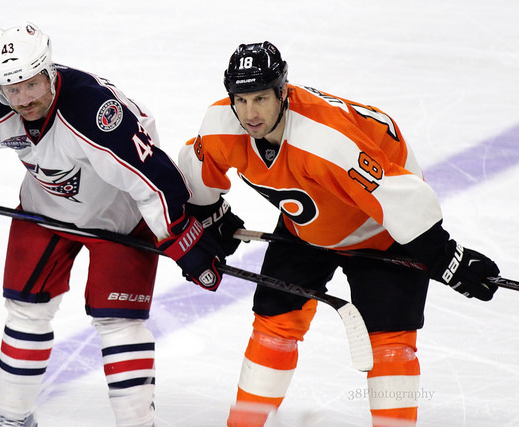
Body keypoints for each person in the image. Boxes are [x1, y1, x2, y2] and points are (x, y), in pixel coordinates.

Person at [177, 41, 501, 426]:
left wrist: (446, 257)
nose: (250, 113)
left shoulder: (325, 140)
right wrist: (212, 219)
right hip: (306, 225)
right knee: (273, 319)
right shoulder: (221, 125)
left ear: (283, 92)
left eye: (261, 98)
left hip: (384, 226)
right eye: (241, 99)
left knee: (389, 341)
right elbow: (196, 178)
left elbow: (398, 197)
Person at [0, 22, 222, 427]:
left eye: (31, 85)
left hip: (120, 219)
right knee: (24, 311)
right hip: (45, 211)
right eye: (12, 89)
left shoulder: (93, 113)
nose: (22, 99)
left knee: (118, 324)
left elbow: (151, 180)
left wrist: (180, 235)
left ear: (49, 71)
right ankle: (13, 420)